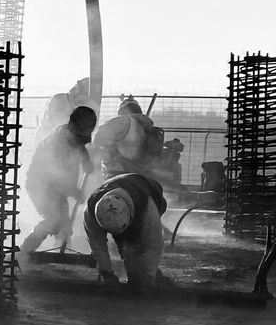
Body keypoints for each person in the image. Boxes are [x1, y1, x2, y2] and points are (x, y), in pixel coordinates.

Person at [21, 106, 97, 254]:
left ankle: (62, 256)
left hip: (57, 189)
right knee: (53, 220)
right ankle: (24, 252)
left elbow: (81, 147)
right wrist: (74, 191)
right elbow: (53, 177)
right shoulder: (56, 144)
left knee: (65, 228)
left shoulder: (73, 135)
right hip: (41, 186)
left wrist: (86, 161)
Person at [85, 171, 171, 288]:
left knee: (139, 246)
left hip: (150, 189)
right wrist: (106, 273)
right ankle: (138, 274)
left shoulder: (147, 207)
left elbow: (154, 244)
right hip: (120, 187)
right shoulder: (91, 212)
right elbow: (97, 244)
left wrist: (150, 276)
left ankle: (154, 274)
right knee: (129, 252)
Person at [91, 96, 158, 178]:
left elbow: (98, 135)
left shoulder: (123, 121)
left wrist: (97, 150)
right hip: (143, 173)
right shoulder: (146, 125)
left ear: (122, 110)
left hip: (118, 172)